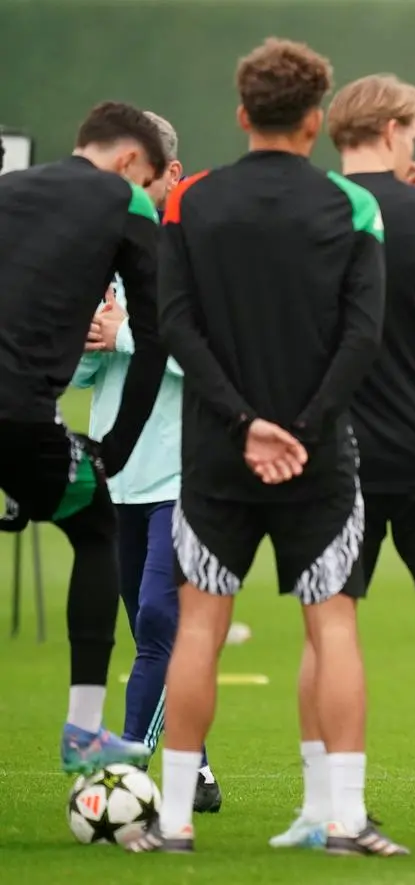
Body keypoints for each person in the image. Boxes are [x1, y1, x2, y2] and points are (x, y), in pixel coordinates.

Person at [126, 38, 404, 856]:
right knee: (335, 630)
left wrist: (243, 421)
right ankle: (346, 819)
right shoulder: (354, 207)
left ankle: (173, 820)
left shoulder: (191, 201)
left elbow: (173, 323)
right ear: (317, 121)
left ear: (244, 114)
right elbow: (364, 337)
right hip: (320, 460)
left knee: (200, 629)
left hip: (216, 456)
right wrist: (302, 426)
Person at [269, 73, 415, 854]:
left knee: (327, 636)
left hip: (337, 460)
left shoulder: (312, 215)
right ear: (400, 127)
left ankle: (320, 809)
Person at [0, 101, 168, 775]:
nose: (152, 196)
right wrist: (114, 451)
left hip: (19, 430)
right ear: (131, 161)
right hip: (19, 411)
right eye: (153, 180)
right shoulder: (125, 201)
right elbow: (157, 335)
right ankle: (85, 731)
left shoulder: (11, 189)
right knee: (95, 527)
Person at [69, 111, 223, 815]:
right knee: (145, 627)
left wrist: (126, 336)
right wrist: (89, 345)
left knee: (161, 620)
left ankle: (122, 773)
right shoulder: (96, 255)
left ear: (171, 176)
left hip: (184, 476)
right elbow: (71, 379)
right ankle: (198, 764)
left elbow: (216, 364)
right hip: (115, 475)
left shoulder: (198, 258)